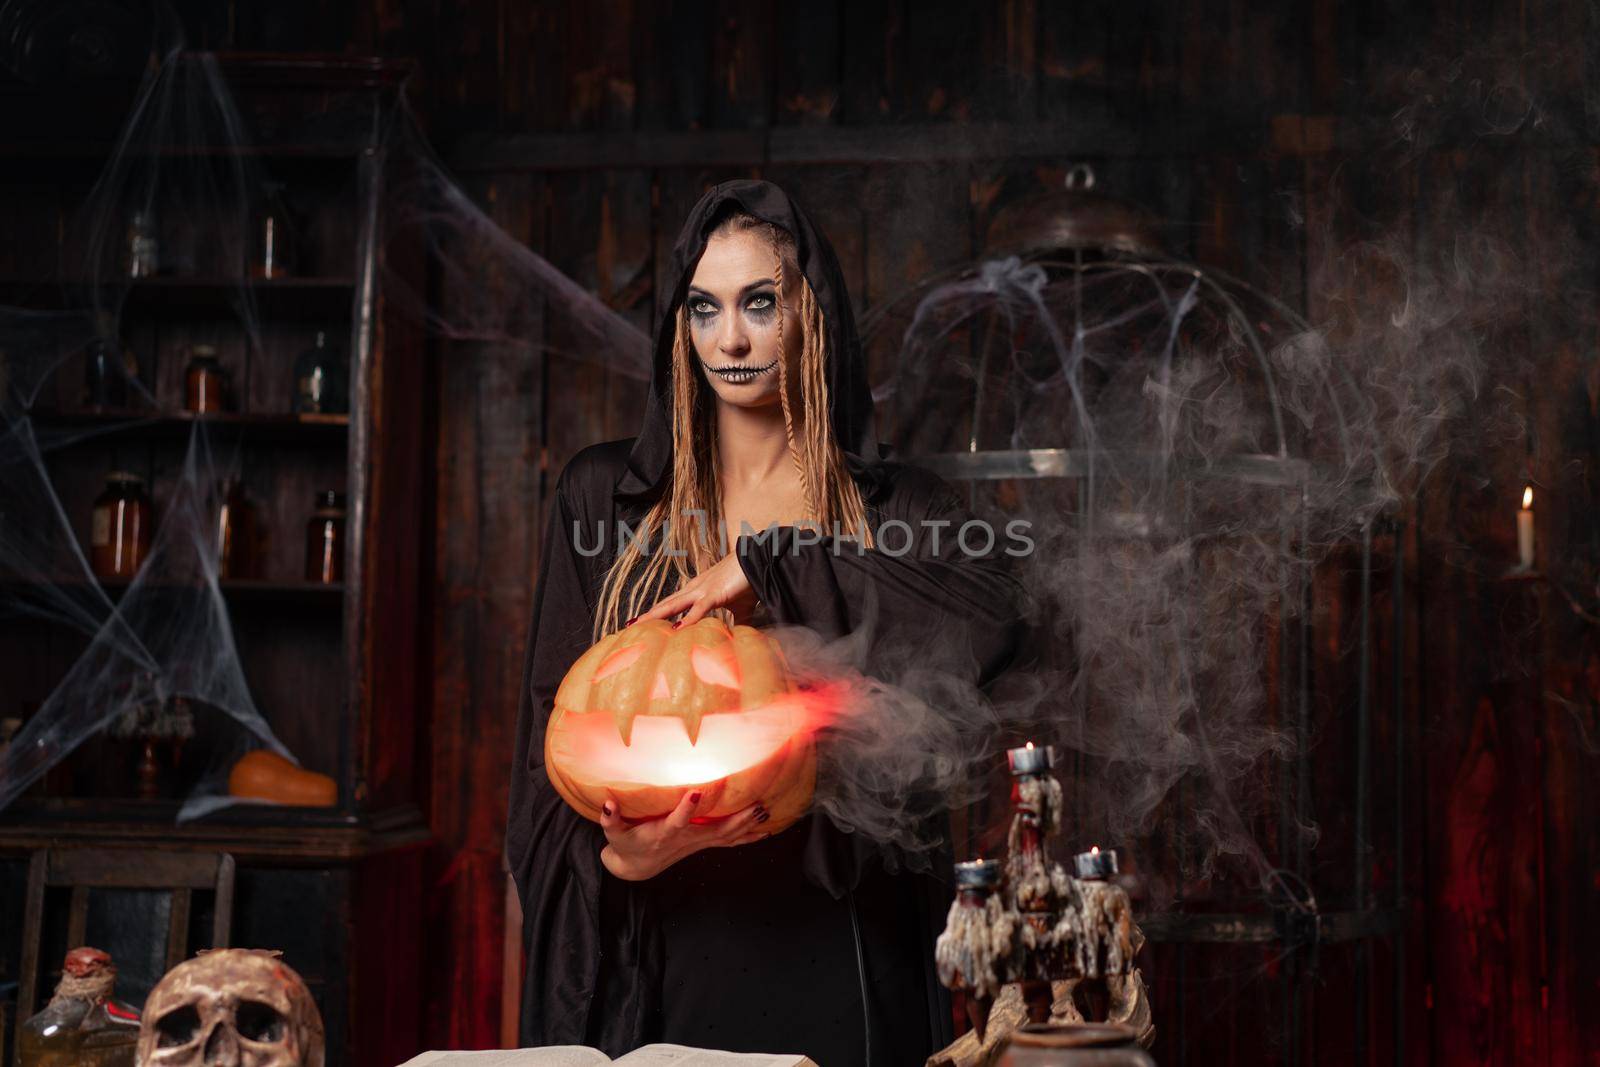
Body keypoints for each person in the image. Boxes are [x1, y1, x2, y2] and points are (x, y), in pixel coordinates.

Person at [506, 179, 1027, 1066]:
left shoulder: (900, 508)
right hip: (660, 963)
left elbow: (994, 622)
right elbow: (548, 748)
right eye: (704, 309)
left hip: (842, 959)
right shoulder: (606, 502)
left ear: (812, 314)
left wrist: (770, 564)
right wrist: (626, 860)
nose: (731, 339)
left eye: (760, 304)